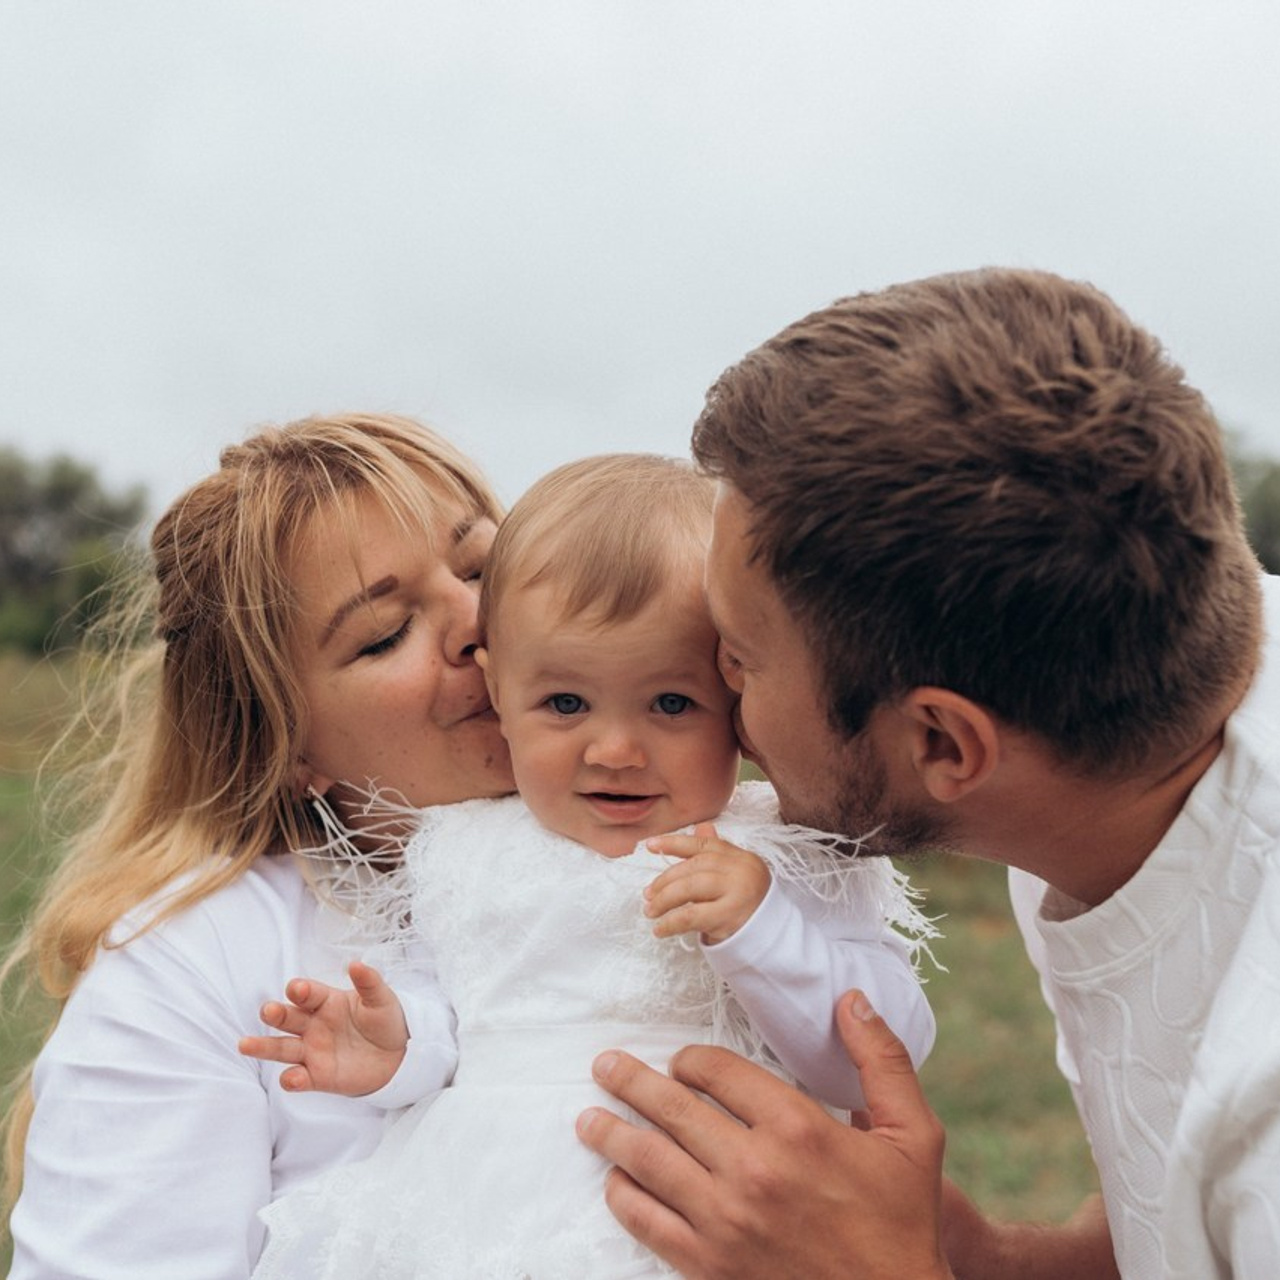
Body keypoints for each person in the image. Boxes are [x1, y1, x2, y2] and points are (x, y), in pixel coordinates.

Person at [576, 268, 1279, 1279]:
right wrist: (981, 1254)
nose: (713, 688)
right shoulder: (1116, 746)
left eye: (742, 654)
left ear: (945, 745)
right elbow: (1179, 1215)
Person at [239, 453, 937, 1279]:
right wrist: (397, 1048)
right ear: (497, 689)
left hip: (710, 1222)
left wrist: (762, 933)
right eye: (566, 704)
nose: (614, 751)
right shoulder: (462, 850)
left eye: (672, 704)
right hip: (480, 1220)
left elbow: (883, 1056)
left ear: (738, 695)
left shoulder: (774, 852)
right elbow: (457, 1025)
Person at [1, 413, 516, 1277]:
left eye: (483, 568)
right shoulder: (190, 968)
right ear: (289, 746)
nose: (475, 621)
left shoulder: (723, 855)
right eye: (385, 633)